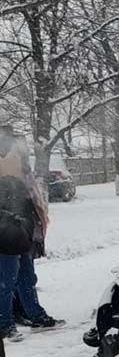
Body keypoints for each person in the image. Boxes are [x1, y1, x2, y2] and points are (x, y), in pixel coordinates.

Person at [0, 125, 60, 342]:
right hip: (6, 233)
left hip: (25, 231)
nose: (22, 154)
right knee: (6, 279)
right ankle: (4, 324)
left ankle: (34, 314)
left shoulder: (23, 178)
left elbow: (32, 203)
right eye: (18, 150)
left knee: (26, 275)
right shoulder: (5, 180)